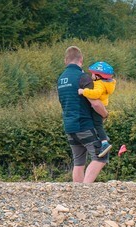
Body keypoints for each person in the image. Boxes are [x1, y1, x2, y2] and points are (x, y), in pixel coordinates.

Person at [57, 46, 109, 183]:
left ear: (65, 60)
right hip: (84, 124)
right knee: (101, 156)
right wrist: (105, 114)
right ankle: (85, 189)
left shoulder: (61, 79)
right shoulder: (83, 77)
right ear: (81, 59)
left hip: (69, 126)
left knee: (79, 162)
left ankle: (77, 192)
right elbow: (95, 103)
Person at [78, 61, 116, 158]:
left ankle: (104, 143)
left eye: (93, 74)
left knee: (98, 125)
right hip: (103, 106)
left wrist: (83, 91)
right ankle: (102, 137)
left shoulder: (99, 84)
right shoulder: (107, 83)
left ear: (98, 76)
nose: (91, 76)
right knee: (97, 124)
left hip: (97, 107)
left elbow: (95, 94)